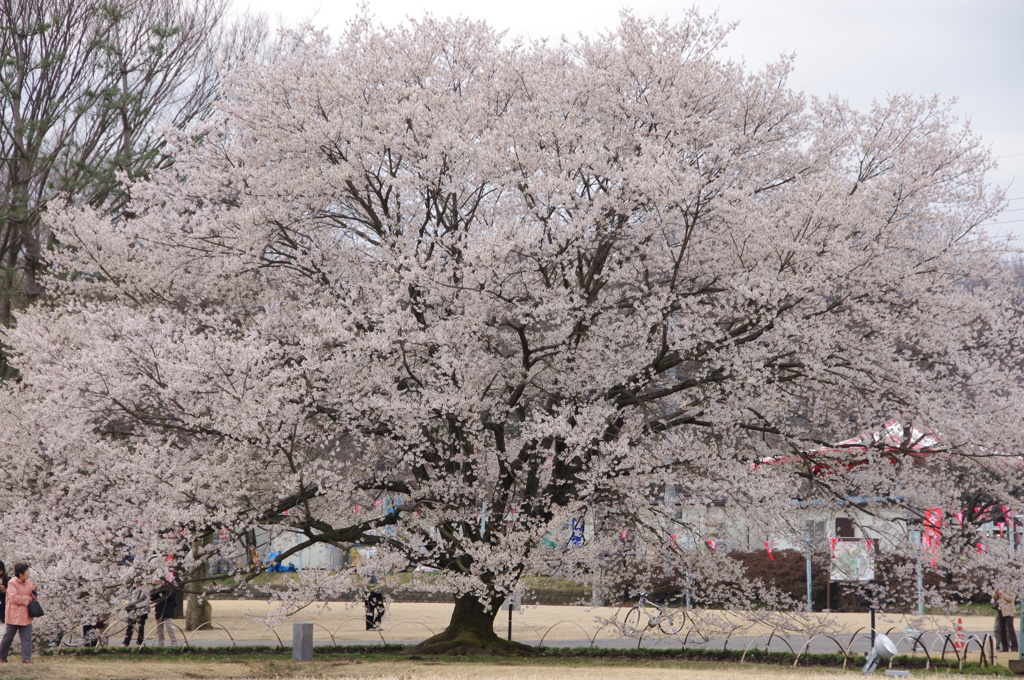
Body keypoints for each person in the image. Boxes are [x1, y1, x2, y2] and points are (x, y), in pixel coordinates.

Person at [0, 562, 37, 664]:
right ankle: (2, 657)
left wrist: (34, 593)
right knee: (8, 637)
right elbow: (13, 597)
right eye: (27, 571)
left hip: (26, 614)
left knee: (26, 638)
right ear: (21, 573)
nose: (28, 573)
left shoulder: (28, 583)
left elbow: (32, 598)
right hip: (14, 615)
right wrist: (28, 598)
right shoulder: (12, 583)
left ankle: (26, 658)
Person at [150, 577, 178, 646]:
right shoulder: (156, 589)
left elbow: (172, 597)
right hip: (159, 609)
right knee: (159, 629)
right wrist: (159, 589)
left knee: (170, 627)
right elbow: (152, 597)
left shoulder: (170, 588)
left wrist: (164, 589)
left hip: (168, 609)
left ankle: (174, 642)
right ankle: (160, 643)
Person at [122, 582, 150, 646]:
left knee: (141, 626)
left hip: (142, 609)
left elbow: (147, 600)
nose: (137, 583)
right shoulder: (133, 589)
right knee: (130, 625)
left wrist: (147, 610)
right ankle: (126, 642)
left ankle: (140, 641)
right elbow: (130, 599)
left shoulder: (145, 589)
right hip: (133, 609)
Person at [995, 588, 1019, 653]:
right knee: (1002, 629)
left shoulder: (1011, 588)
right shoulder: (1000, 588)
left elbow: (1010, 599)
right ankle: (1005, 648)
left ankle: (1014, 647)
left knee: (1010, 629)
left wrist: (1002, 594)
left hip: (1009, 611)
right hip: (1001, 610)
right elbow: (994, 597)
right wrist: (996, 593)